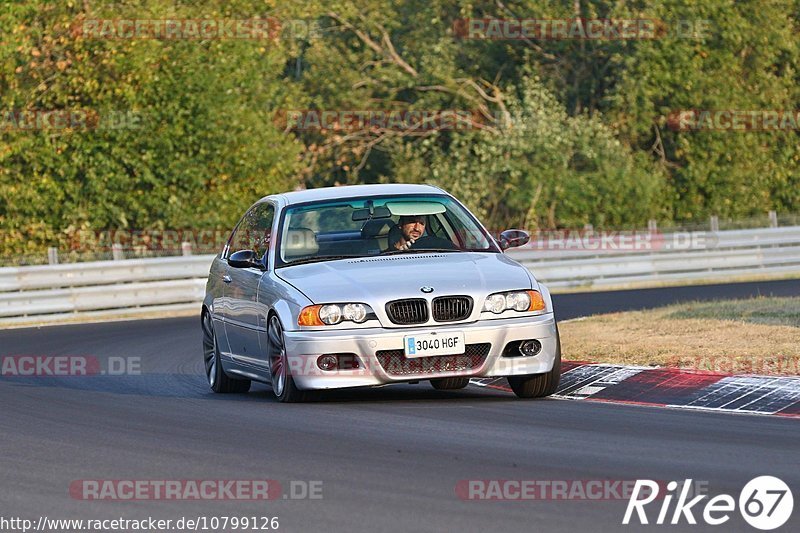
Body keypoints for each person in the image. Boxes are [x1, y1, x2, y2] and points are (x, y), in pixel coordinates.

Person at [388, 215, 457, 251]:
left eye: (421, 223)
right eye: (412, 222)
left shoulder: (432, 249)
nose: (417, 228)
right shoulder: (385, 257)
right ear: (400, 224)